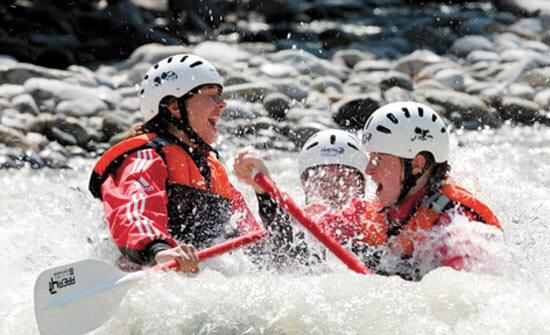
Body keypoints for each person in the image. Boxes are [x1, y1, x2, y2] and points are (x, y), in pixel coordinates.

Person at [235, 101, 502, 280]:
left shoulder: (458, 231)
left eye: (379, 159)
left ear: (417, 164)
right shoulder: (375, 212)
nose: (369, 170)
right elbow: (293, 248)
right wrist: (264, 193)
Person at [88, 54, 260, 272]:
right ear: (174, 106)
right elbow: (133, 213)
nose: (222, 104)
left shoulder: (212, 171)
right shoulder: (144, 158)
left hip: (197, 280)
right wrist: (160, 251)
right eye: (210, 95)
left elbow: (258, 247)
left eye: (220, 95)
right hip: (146, 272)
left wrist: (263, 194)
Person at [233, 129, 379, 268]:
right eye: (323, 181)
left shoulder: (374, 221)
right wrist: (264, 193)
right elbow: (284, 250)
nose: (333, 190)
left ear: (361, 185)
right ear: (305, 184)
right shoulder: (297, 223)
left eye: (343, 179)